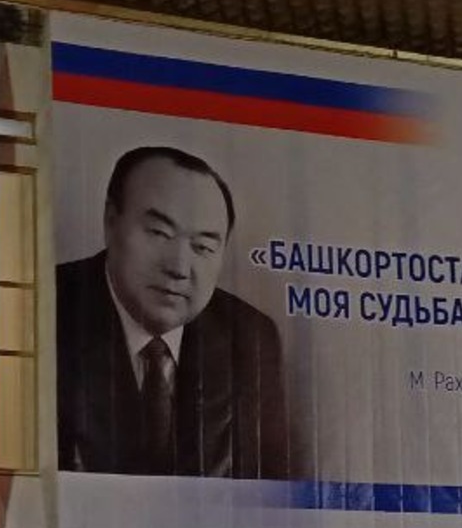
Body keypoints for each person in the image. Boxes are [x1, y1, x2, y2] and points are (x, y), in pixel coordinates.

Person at [57, 145, 290, 478]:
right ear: (110, 222)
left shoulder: (249, 337)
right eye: (159, 233)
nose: (179, 268)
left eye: (203, 247)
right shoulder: (44, 309)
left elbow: (269, 488)